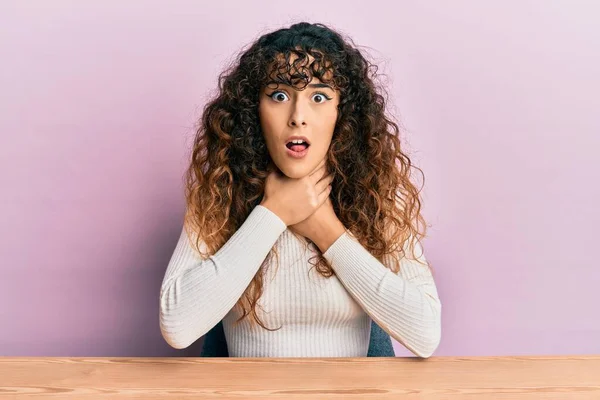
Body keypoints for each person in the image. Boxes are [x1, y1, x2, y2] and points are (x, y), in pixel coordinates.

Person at [159, 22, 442, 358]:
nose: (298, 116)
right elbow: (177, 326)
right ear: (254, 111)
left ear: (343, 113)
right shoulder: (221, 195)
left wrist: (327, 231)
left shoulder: (376, 196)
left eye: (319, 97)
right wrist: (273, 213)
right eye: (279, 96)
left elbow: (425, 334)